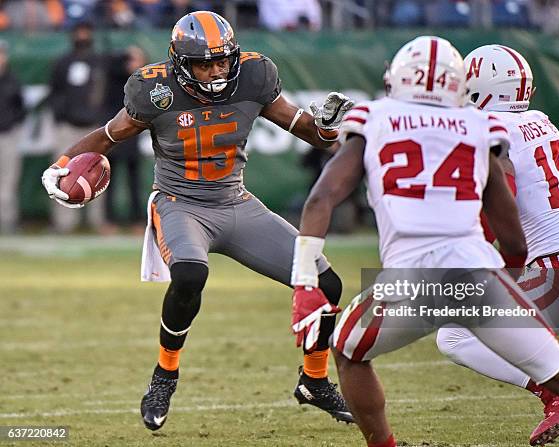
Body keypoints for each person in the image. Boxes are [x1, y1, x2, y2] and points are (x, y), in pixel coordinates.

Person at [289, 35, 559, 447]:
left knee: (441, 338)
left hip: (534, 271)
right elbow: (446, 141)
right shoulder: (533, 122)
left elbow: (340, 184)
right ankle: (556, 390)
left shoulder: (479, 127)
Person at [41, 10, 355, 431]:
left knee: (326, 284)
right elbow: (107, 137)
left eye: (222, 60)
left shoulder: (255, 76)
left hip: (236, 202)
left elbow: (307, 131)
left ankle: (314, 380)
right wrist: (62, 164)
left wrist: (329, 129)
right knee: (189, 275)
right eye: (204, 63)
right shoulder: (154, 91)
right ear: (180, 64)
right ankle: (164, 375)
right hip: (180, 203)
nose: (216, 70)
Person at [436, 44, 559, 446]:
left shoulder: (488, 129)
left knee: (454, 332)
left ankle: (554, 393)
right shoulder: (542, 121)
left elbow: (506, 197)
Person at [47, 20, 107, 233]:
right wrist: (61, 113)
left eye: (85, 31)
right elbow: (53, 91)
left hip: (93, 127)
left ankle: (96, 221)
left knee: (97, 172)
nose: (82, 35)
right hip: (67, 126)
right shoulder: (63, 62)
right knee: (62, 173)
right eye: (79, 31)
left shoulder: (98, 61)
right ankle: (63, 223)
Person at [102, 45, 148, 233]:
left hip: (132, 134)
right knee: (109, 181)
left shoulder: (142, 81)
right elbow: (109, 63)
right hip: (114, 133)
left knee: (134, 180)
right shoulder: (115, 77)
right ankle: (109, 221)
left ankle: (137, 220)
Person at [0, 40, 25, 234]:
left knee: (8, 182)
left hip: (7, 135)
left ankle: (7, 223)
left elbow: (20, 108)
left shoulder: (12, 79)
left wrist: (11, 122)